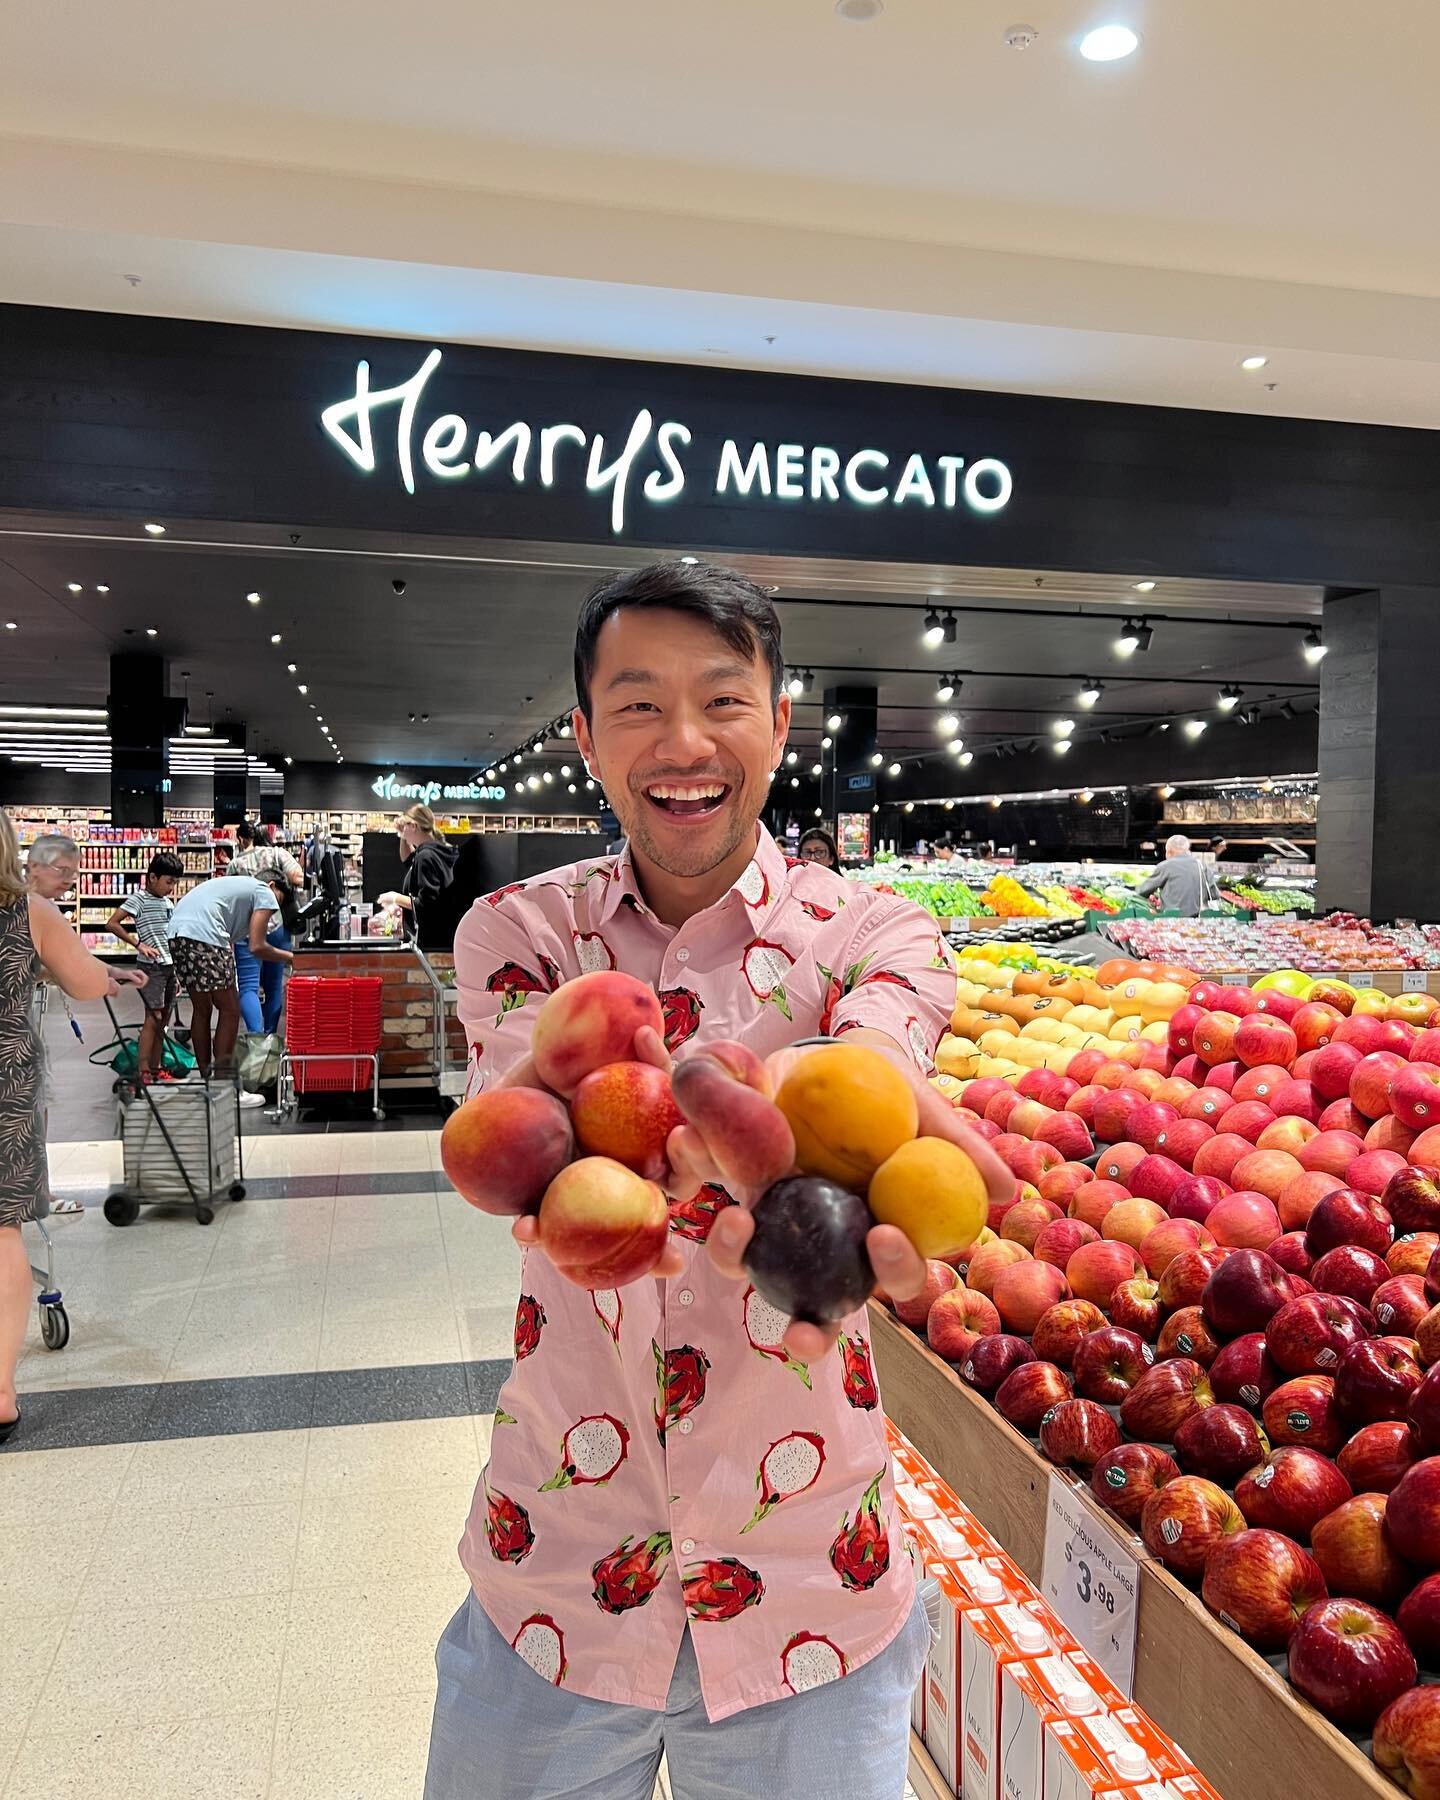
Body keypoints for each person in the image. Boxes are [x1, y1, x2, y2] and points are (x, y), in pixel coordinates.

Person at [426, 561, 1010, 1800]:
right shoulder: (522, 937)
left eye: (723, 700)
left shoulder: (875, 931)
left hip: (814, 1583)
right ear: (583, 736)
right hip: (558, 1573)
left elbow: (877, 1058)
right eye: (636, 705)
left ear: (781, 721)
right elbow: (518, 1119)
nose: (682, 742)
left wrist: (812, 1105)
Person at [1, 809, 145, 1442]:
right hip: (3, 1083)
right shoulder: (26, 911)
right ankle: (0, 1392)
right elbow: (87, 983)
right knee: (2, 1232)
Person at [167, 872, 292, 1091]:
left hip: (177, 933)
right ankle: (223, 1080)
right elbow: (257, 946)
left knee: (202, 1009)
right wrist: (291, 958)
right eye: (278, 902)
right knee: (230, 1008)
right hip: (205, 935)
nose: (272, 912)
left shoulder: (238, 888)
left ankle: (207, 1076)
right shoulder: (264, 891)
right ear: (272, 885)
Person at [104, 852, 184, 1081]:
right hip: (151, 968)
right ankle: (143, 1071)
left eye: (175, 883)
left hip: (169, 967)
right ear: (152, 877)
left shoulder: (168, 903)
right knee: (153, 1017)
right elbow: (112, 923)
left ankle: (156, 1068)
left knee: (164, 1019)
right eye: (169, 882)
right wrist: (138, 944)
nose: (172, 887)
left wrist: (176, 971)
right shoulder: (138, 899)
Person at [229, 823, 303, 1034]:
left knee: (248, 987)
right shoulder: (278, 854)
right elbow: (299, 877)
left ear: (242, 839)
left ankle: (256, 1036)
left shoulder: (236, 863)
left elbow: (231, 896)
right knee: (274, 987)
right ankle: (270, 1036)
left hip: (246, 926)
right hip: (277, 924)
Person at [379, 805, 457, 942]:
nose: (402, 832)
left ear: (414, 826)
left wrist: (395, 898)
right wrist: (403, 835)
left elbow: (426, 903)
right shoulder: (436, 850)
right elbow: (407, 860)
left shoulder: (426, 856)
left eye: (404, 827)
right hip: (443, 936)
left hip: (430, 939)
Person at [1135, 832, 1208, 917]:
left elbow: (1143, 891)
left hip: (1171, 919)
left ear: (1169, 852)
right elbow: (1214, 894)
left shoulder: (1166, 866)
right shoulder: (1202, 866)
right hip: (1198, 919)